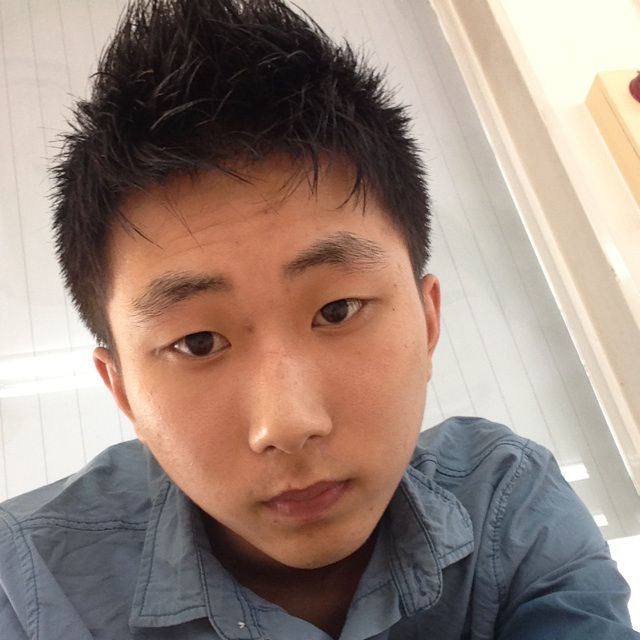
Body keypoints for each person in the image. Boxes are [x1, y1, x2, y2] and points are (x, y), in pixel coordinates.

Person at [0, 0, 637, 638]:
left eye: (337, 310)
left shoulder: (507, 505)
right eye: (197, 341)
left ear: (428, 320)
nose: (288, 423)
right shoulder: (28, 588)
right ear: (122, 391)